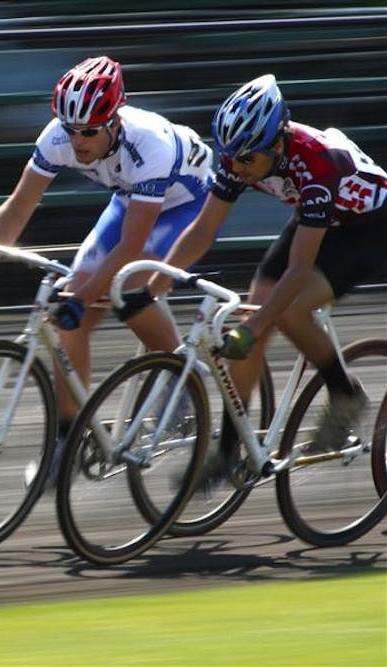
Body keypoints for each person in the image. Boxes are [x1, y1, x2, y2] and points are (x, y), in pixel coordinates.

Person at [0, 55, 215, 488]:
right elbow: (18, 207)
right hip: (130, 200)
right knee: (66, 315)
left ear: (114, 121)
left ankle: (182, 375)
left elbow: (131, 247)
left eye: (89, 131)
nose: (78, 141)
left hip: (185, 205)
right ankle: (67, 441)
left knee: (132, 289)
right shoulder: (59, 137)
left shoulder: (150, 145)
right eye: (71, 130)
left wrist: (84, 296)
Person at [138, 73, 387, 488]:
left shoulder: (318, 164)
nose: (236, 168)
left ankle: (346, 394)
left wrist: (253, 328)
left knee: (285, 310)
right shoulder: (243, 155)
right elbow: (202, 230)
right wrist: (153, 285)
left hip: (371, 230)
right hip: (319, 218)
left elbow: (299, 270)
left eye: (246, 160)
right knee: (255, 309)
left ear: (276, 143)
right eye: (229, 157)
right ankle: (228, 452)